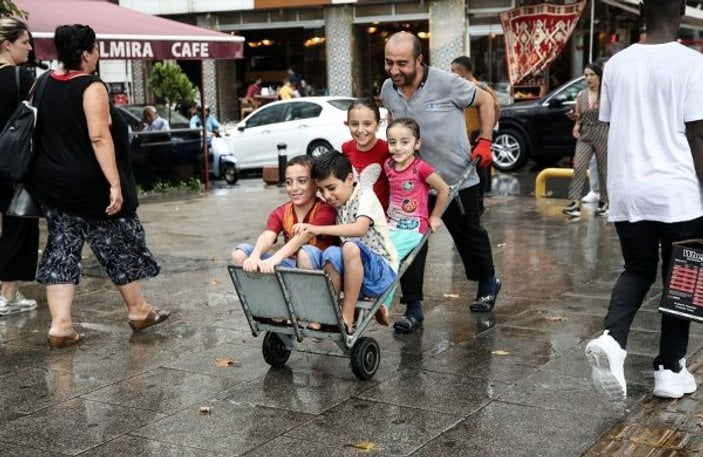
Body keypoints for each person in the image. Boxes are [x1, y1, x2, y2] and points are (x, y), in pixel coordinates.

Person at [585, 0, 703, 400]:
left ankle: (614, 339)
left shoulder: (617, 64)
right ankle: (670, 370)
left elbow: (611, 124)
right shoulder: (692, 63)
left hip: (629, 189)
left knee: (637, 268)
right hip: (679, 193)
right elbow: (698, 135)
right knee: (682, 278)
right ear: (681, 10)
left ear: (643, 13)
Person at [26, 24, 168, 349]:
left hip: (51, 184)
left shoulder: (42, 83)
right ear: (85, 52)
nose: (98, 54)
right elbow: (98, 136)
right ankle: (137, 309)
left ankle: (61, 325)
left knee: (62, 247)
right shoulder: (92, 87)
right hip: (88, 185)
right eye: (97, 48)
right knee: (116, 242)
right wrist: (114, 183)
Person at [380, 31, 499, 333]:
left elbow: (485, 101)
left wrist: (485, 140)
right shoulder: (388, 89)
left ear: (419, 60)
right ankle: (414, 308)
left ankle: (488, 281)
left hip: (457, 178)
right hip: (414, 185)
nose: (395, 71)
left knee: (469, 237)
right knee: (411, 245)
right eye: (389, 63)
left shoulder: (447, 83)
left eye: (402, 64)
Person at [294, 151, 398, 333]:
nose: (327, 195)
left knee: (349, 247)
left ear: (350, 179)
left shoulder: (365, 195)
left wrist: (317, 228)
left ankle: (347, 316)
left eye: (331, 188)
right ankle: (327, 313)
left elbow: (359, 229)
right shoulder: (337, 204)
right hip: (355, 274)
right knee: (329, 252)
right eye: (321, 190)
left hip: (380, 273)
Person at [382, 118, 449, 319]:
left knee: (391, 258)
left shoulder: (421, 168)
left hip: (413, 229)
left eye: (404, 142)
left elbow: (444, 189)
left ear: (416, 143)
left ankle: (383, 304)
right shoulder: (388, 165)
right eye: (392, 142)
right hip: (390, 224)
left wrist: (435, 216)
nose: (398, 148)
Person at [231, 155, 336, 273]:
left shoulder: (325, 210)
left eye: (302, 181)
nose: (294, 188)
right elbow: (268, 236)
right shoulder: (281, 212)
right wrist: (254, 256)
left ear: (315, 183)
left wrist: (275, 258)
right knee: (240, 253)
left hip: (318, 267)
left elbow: (304, 236)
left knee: (305, 254)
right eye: (289, 182)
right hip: (289, 263)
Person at [0, 17, 39, 316]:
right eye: (24, 42)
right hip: (13, 164)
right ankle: (8, 294)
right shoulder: (23, 78)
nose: (29, 47)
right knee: (18, 223)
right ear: (7, 44)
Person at [450, 56, 501, 215]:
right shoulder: (459, 89)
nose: (451, 74)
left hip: (476, 136)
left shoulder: (481, 89)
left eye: (454, 71)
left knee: (480, 170)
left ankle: (478, 202)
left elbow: (496, 109)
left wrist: (487, 132)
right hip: (463, 136)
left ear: (463, 72)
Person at [562, 63, 609, 218]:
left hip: (602, 131)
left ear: (599, 77)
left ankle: (605, 202)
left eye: (591, 75)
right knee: (579, 166)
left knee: (604, 169)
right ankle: (574, 204)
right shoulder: (581, 95)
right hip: (585, 133)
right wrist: (576, 122)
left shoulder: (607, 94)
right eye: (586, 75)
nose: (588, 78)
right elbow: (579, 116)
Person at [342, 98, 390, 210]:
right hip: (355, 213)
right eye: (354, 124)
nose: (360, 130)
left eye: (367, 124)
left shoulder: (388, 150)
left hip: (381, 216)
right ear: (347, 124)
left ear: (378, 125)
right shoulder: (346, 148)